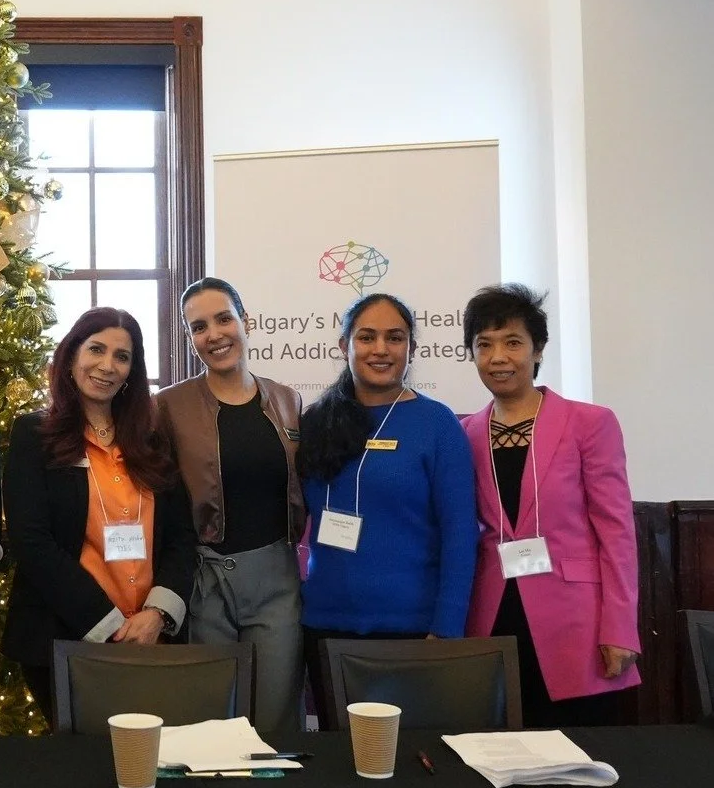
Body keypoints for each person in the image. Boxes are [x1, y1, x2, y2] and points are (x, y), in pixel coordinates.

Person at [461, 283, 640, 727]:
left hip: (576, 623)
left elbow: (616, 533)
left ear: (538, 350)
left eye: (513, 342)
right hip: (492, 615)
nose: (498, 357)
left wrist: (620, 627)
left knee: (578, 757)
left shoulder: (590, 423)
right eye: (484, 345)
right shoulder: (464, 433)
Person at [3, 307, 193, 719]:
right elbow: (31, 541)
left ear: (131, 371)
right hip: (66, 637)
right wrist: (108, 624)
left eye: (122, 357)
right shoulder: (34, 435)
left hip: (152, 638)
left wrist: (156, 615)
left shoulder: (152, 440)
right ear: (72, 355)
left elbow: (181, 537)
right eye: (96, 349)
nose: (107, 366)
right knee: (85, 770)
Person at [297, 292, 478, 725]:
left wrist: (447, 626)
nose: (381, 349)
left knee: (411, 763)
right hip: (326, 624)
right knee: (341, 760)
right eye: (367, 337)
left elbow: (460, 533)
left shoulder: (438, 424)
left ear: (411, 348)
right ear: (345, 346)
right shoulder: (317, 422)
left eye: (395, 338)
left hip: (413, 629)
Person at [156, 277, 306, 736]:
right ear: (190, 339)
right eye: (199, 327)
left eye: (224, 319)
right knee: (209, 721)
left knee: (275, 721)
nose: (214, 334)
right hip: (205, 582)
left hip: (276, 581)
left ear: (247, 322)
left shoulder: (287, 400)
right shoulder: (167, 407)